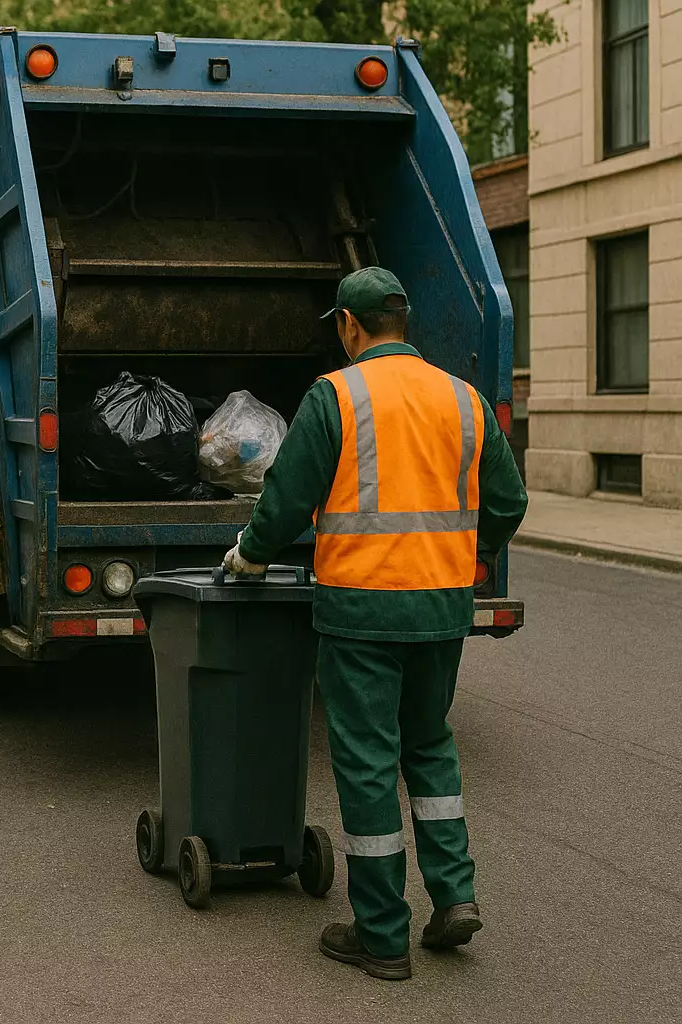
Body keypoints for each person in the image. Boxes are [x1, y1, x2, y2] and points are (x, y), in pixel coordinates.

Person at [224, 266, 527, 981]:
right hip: (442, 608)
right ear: (405, 323)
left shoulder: (337, 394)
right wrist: (467, 554)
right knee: (429, 748)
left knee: (366, 764)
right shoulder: (465, 399)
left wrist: (250, 558)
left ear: (350, 326)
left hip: (361, 609)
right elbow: (508, 502)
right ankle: (454, 897)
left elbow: (287, 498)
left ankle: (382, 934)